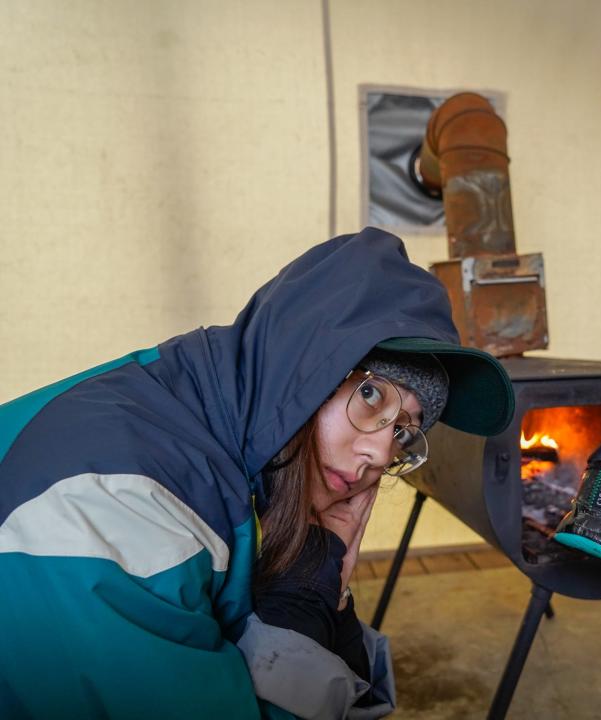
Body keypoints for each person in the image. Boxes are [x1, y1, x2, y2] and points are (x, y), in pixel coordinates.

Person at [0, 227, 515, 719]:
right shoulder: (120, 512)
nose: (382, 454)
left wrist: (321, 587)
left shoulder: (208, 428)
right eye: (372, 394)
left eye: (404, 430)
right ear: (302, 363)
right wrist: (303, 601)